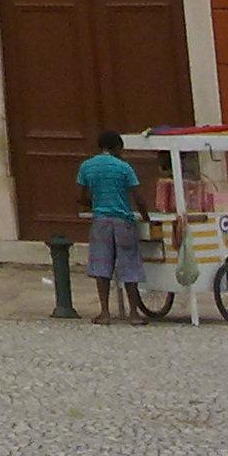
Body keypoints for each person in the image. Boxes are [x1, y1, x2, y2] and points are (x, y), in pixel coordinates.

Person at [77, 130, 147, 325]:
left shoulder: (87, 166)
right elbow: (138, 198)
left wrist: (96, 204)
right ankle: (134, 314)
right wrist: (146, 217)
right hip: (123, 220)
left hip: (100, 220)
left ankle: (105, 313)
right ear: (118, 147)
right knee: (129, 265)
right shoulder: (124, 167)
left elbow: (81, 197)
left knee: (101, 266)